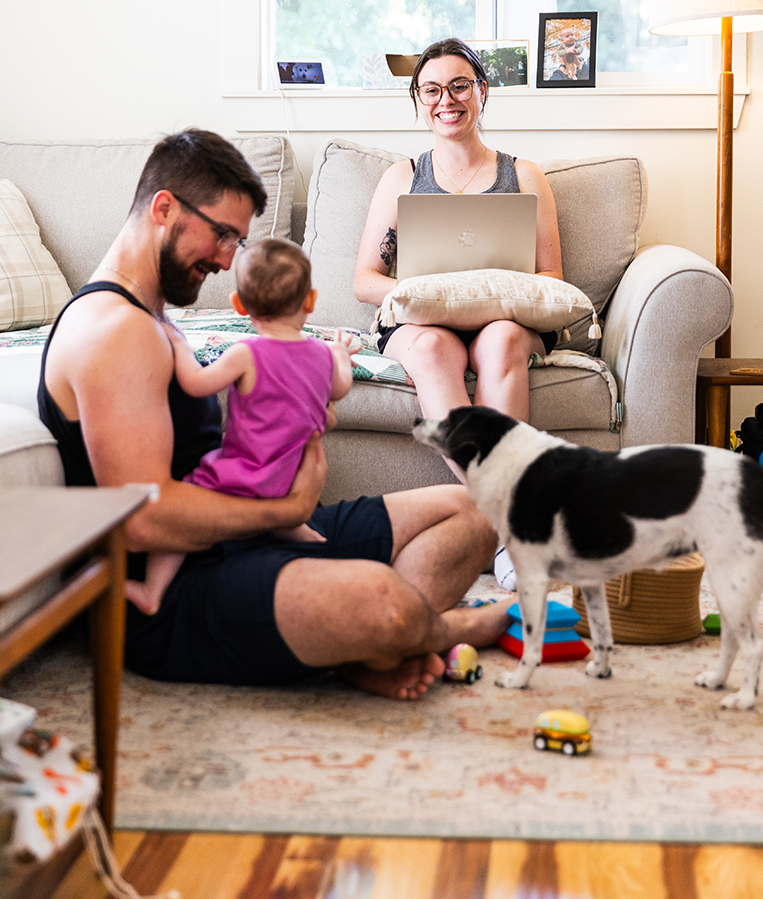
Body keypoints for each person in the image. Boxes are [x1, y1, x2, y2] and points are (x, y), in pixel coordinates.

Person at [37, 128, 512, 699]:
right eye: (220, 235)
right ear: (164, 208)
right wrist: (287, 508)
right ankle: (432, 629)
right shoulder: (115, 331)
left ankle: (361, 645)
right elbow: (144, 519)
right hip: (174, 593)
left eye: (235, 241)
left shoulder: (152, 317)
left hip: (247, 536)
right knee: (384, 606)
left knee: (475, 510)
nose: (224, 259)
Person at [353, 38, 564, 588]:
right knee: (428, 347)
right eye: (431, 89)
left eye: (459, 85)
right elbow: (365, 280)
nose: (445, 99)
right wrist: (426, 295)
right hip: (422, 323)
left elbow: (551, 279)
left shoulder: (524, 174)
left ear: (483, 92)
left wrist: (488, 296)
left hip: (506, 320)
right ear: (417, 100)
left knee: (500, 341)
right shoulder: (401, 177)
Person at [124, 237, 357, 616]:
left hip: (243, 476)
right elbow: (341, 388)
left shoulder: (245, 353)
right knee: (293, 526)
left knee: (181, 520)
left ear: (239, 307)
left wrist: (179, 344)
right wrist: (340, 354)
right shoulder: (321, 354)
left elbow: (195, 384)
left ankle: (152, 592)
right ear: (310, 301)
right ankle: (320, 550)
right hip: (289, 478)